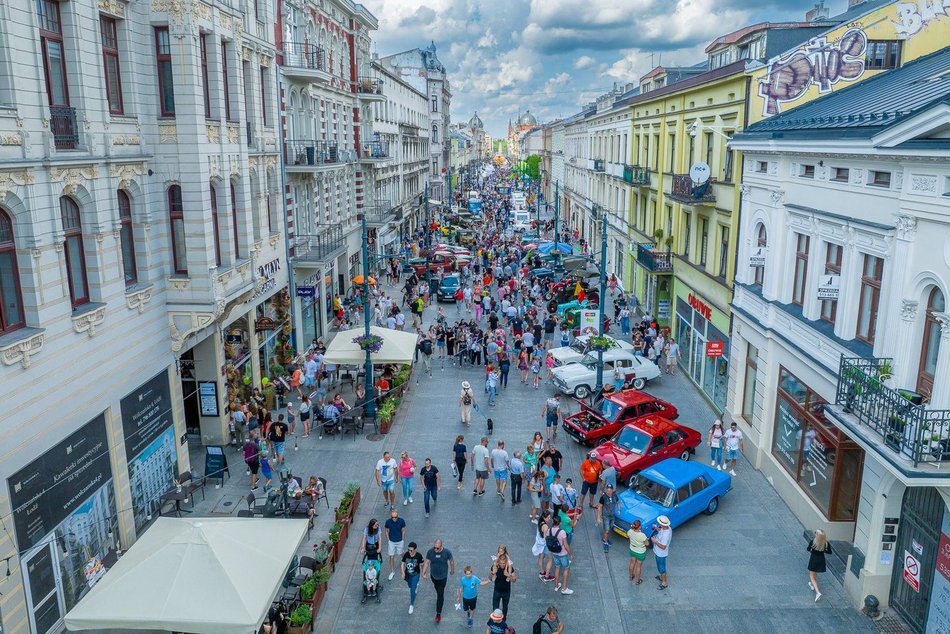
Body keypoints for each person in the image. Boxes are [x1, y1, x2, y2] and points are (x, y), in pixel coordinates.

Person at [422, 539, 455, 623]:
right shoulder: (430, 552)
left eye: (437, 548)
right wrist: (423, 572)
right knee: (437, 589)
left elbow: (451, 561)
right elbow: (427, 562)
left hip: (443, 577)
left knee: (440, 594)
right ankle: (439, 594)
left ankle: (438, 613)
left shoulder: (447, 552)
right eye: (434, 547)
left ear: (441, 546)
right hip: (433, 576)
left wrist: (452, 570)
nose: (435, 550)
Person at [546, 514, 574, 595]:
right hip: (563, 554)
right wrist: (571, 554)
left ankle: (556, 585)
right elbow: (566, 545)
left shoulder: (549, 530)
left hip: (554, 553)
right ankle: (564, 588)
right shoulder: (562, 532)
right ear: (560, 523)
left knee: (557, 567)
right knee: (566, 568)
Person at [488, 549, 516, 617]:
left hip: (506, 591)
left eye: (503, 563)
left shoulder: (509, 568)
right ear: (498, 562)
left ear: (506, 562)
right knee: (495, 608)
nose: (502, 565)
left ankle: (503, 621)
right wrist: (492, 572)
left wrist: (508, 575)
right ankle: (495, 621)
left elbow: (514, 580)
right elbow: (490, 578)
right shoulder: (495, 567)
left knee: (505, 608)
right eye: (500, 563)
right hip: (497, 590)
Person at [807, 529, 832, 602]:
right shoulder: (826, 543)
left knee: (811, 576)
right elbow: (829, 552)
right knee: (815, 573)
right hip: (821, 560)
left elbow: (808, 549)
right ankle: (812, 584)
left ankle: (817, 592)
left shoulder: (813, 542)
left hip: (813, 559)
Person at [385, 508, 407, 581]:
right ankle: (392, 571)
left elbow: (403, 530)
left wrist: (403, 540)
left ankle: (405, 561)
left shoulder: (401, 521)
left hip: (399, 540)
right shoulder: (388, 522)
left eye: (395, 517)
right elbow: (387, 531)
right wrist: (388, 540)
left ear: (398, 516)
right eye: (392, 517)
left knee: (401, 553)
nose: (394, 519)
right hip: (391, 541)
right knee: (391, 556)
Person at [596, 483, 620, 552]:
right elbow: (599, 507)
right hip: (605, 516)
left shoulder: (615, 496)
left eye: (610, 490)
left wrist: (619, 510)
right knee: (607, 530)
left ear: (612, 490)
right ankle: (605, 543)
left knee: (609, 529)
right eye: (607, 490)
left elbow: (618, 502)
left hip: (612, 516)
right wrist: (598, 517)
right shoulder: (603, 497)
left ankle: (605, 538)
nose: (608, 491)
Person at [401, 541, 424, 614]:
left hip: (416, 574)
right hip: (408, 574)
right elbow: (402, 563)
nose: (409, 551)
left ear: (415, 549)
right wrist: (402, 572)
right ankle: (415, 586)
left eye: (411, 550)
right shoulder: (406, 555)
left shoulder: (419, 555)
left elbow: (422, 564)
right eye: (408, 550)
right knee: (410, 586)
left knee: (412, 589)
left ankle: (411, 604)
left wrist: (423, 573)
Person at [627, 519, 649, 584]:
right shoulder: (642, 535)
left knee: (632, 563)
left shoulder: (630, 531)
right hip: (640, 552)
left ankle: (631, 576)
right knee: (638, 566)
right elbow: (647, 544)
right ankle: (637, 581)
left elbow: (628, 536)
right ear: (639, 527)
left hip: (632, 550)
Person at [653, 515, 672, 590]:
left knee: (661, 568)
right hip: (658, 552)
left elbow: (663, 546)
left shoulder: (665, 535)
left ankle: (664, 583)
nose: (659, 524)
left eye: (660, 524)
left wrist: (655, 541)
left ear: (663, 525)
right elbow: (661, 530)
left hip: (660, 554)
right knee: (660, 566)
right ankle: (661, 577)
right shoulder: (667, 528)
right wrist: (656, 528)